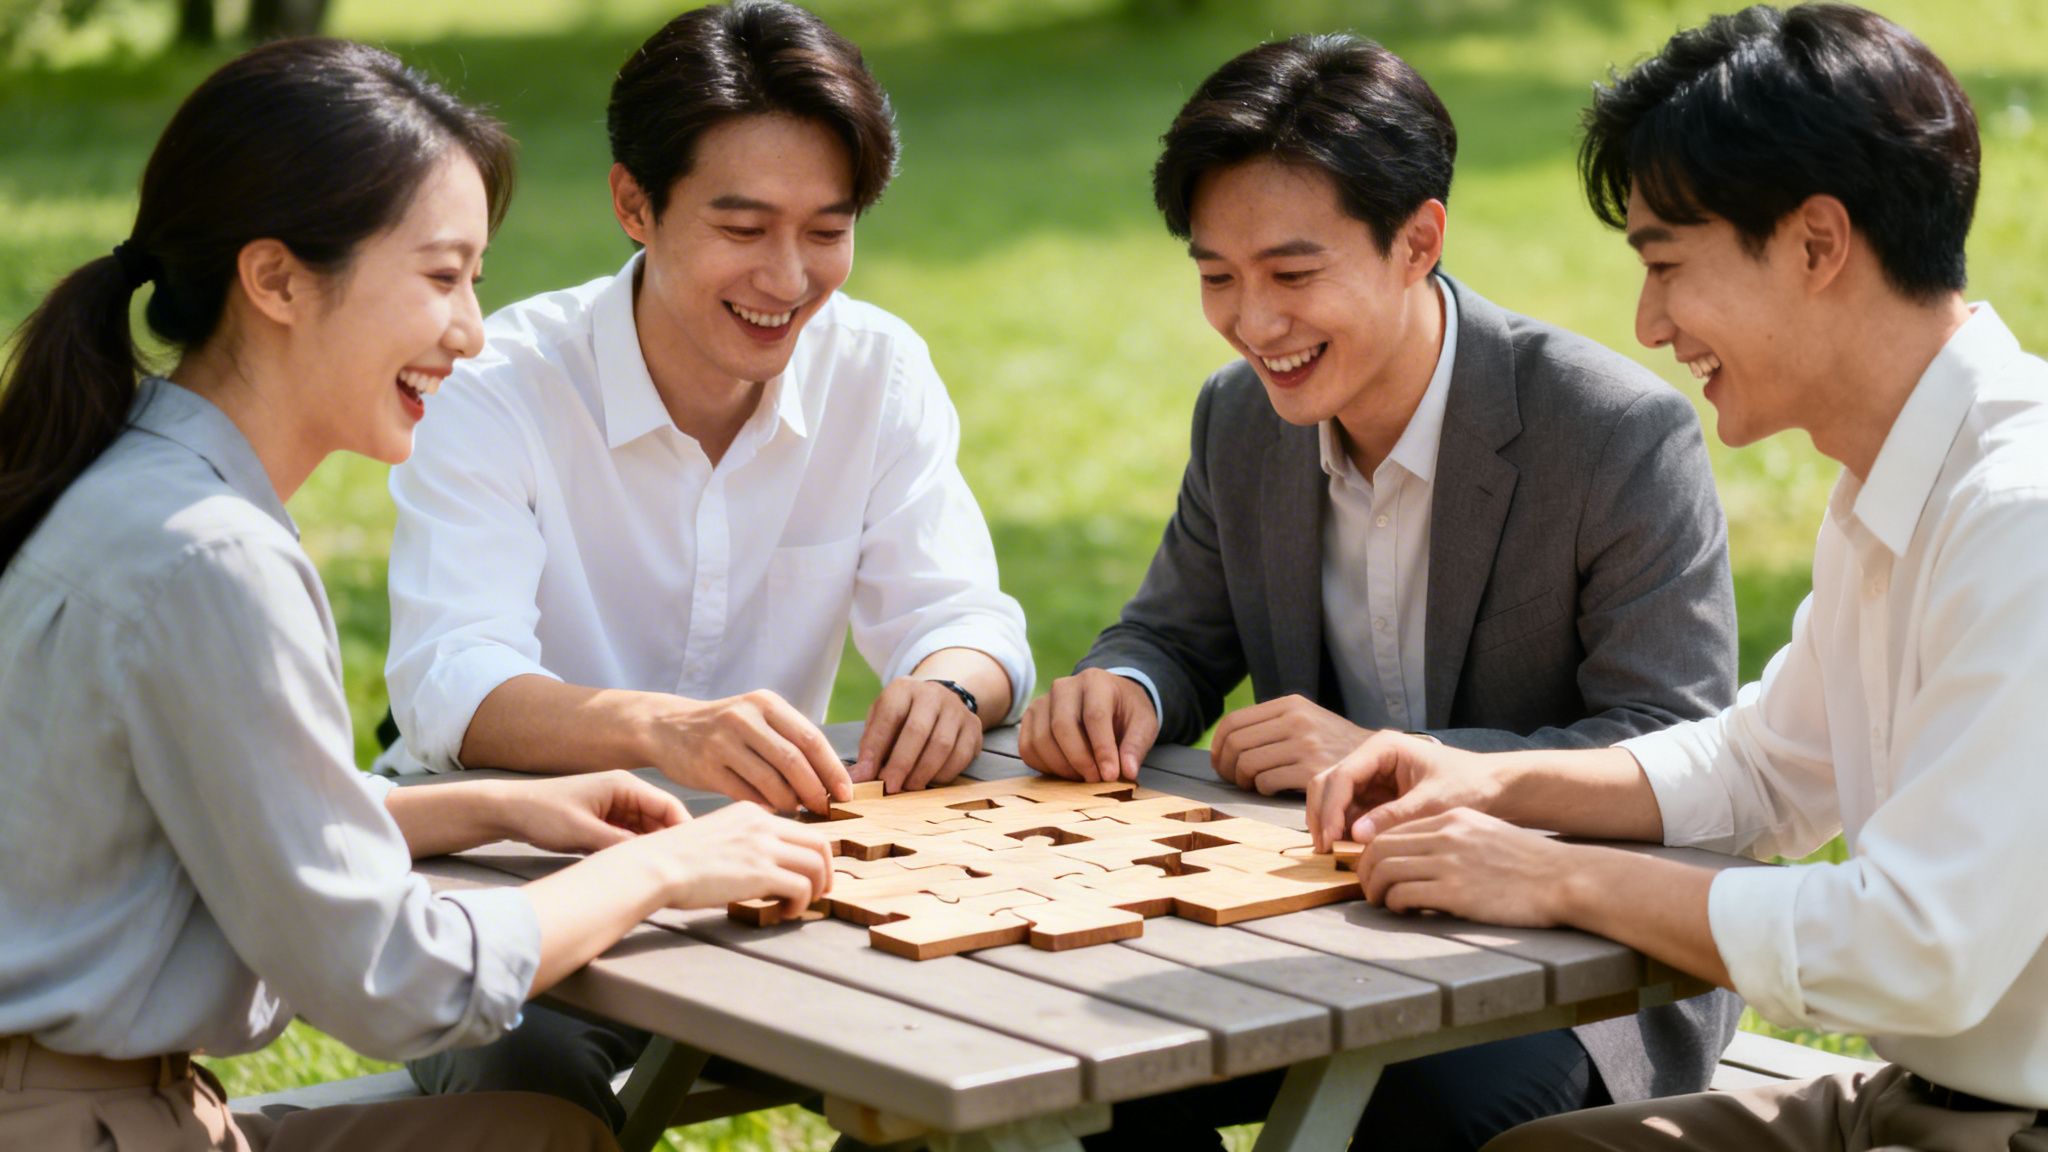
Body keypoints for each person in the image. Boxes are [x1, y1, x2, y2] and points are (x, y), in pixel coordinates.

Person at [0, 38, 832, 1152]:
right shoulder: (210, 555)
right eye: (441, 277)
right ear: (277, 279)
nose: (471, 332)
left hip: (87, 1102)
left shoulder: (122, 473)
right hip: (80, 1123)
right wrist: (664, 865)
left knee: (534, 1129)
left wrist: (489, 806)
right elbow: (393, 980)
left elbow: (219, 819)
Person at [1298, 6, 2048, 1151]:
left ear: (1813, 243)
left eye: (1665, 263)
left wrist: (1551, 878)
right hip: (1910, 1098)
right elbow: (1760, 771)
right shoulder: (1894, 483)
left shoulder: (2017, 515)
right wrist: (1492, 784)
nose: (1648, 324)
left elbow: (1915, 950)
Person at [1017, 32, 1741, 1152]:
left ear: (1417, 242)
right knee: (1072, 1075)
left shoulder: (1612, 435)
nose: (1253, 323)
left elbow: (1671, 745)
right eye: (1217, 276)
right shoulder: (1239, 417)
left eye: (1292, 275)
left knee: (1406, 1123)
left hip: (1570, 942)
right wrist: (1125, 685)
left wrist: (1381, 757)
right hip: (1310, 914)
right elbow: (1174, 633)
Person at [384, 0, 1033, 1128]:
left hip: (767, 871)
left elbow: (965, 616)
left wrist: (948, 680)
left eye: (826, 229)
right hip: (510, 868)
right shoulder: (501, 387)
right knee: (521, 1081)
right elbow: (450, 684)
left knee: (996, 1048)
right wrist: (661, 728)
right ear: (635, 205)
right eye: (742, 228)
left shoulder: (875, 371)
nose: (787, 277)